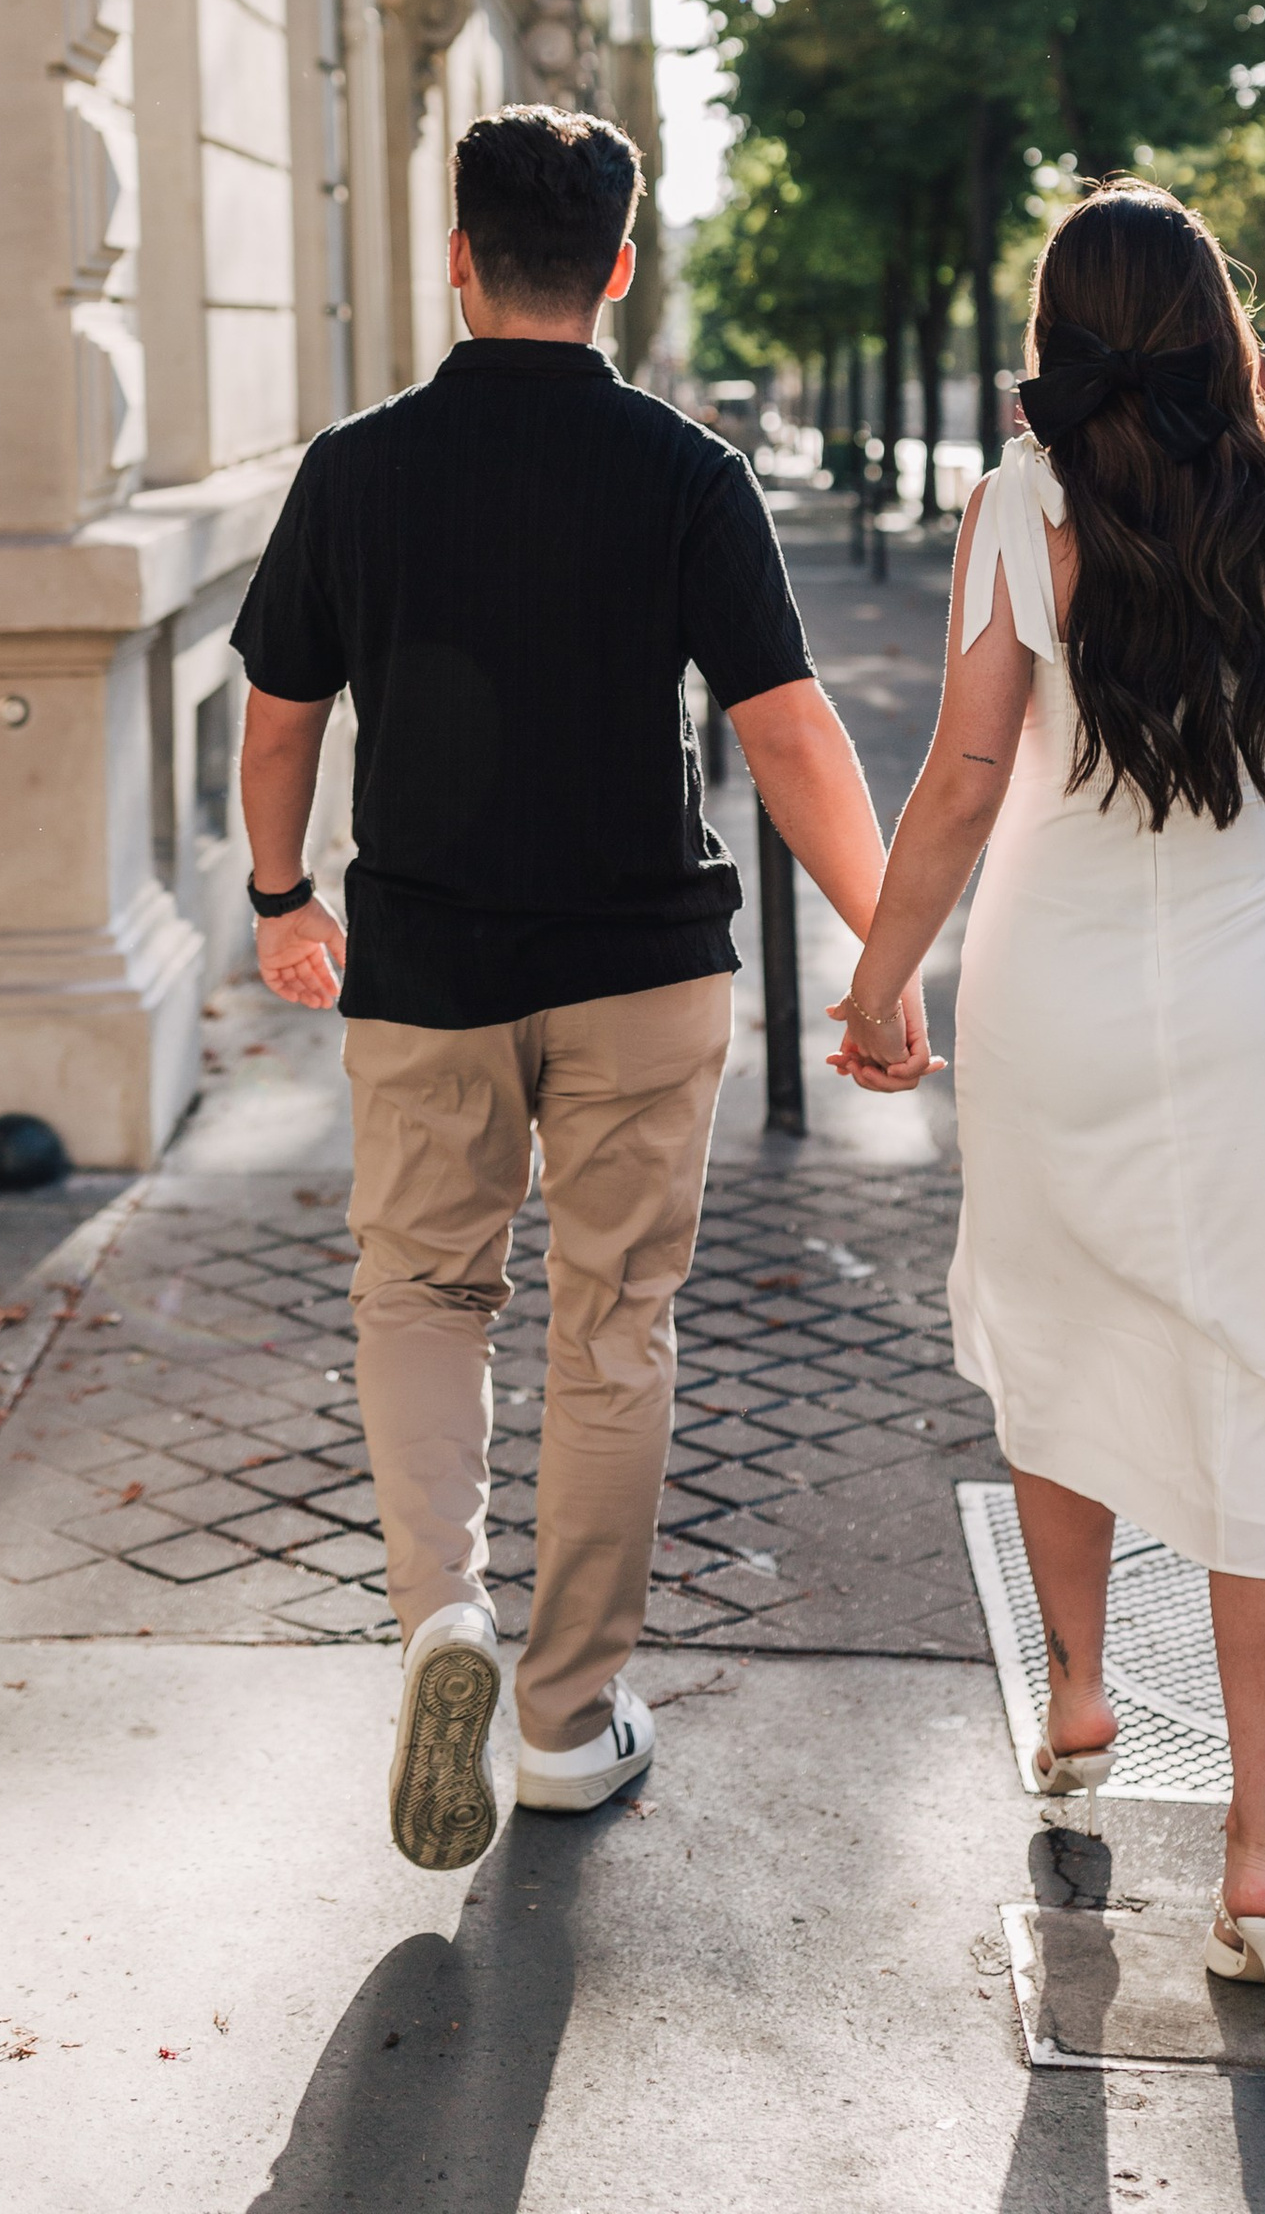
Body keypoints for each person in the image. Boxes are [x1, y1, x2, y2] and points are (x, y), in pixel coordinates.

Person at [230, 107, 898, 1870]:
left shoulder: (353, 471)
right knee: (613, 1331)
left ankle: (440, 1615)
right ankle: (561, 1716)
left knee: (422, 1298)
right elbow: (788, 732)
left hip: (428, 968)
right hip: (639, 970)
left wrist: (283, 898)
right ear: (617, 266)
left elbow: (281, 715)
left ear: (456, 258)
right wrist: (889, 954)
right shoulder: (684, 473)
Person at [830, 180, 1265, 2020]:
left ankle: (1084, 1690)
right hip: (1264, 1001)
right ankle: (1260, 1862)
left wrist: (880, 988)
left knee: (1062, 1316)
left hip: (1060, 991)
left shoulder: (1018, 509)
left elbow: (958, 783)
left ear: (1055, 334)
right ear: (1214, 327)